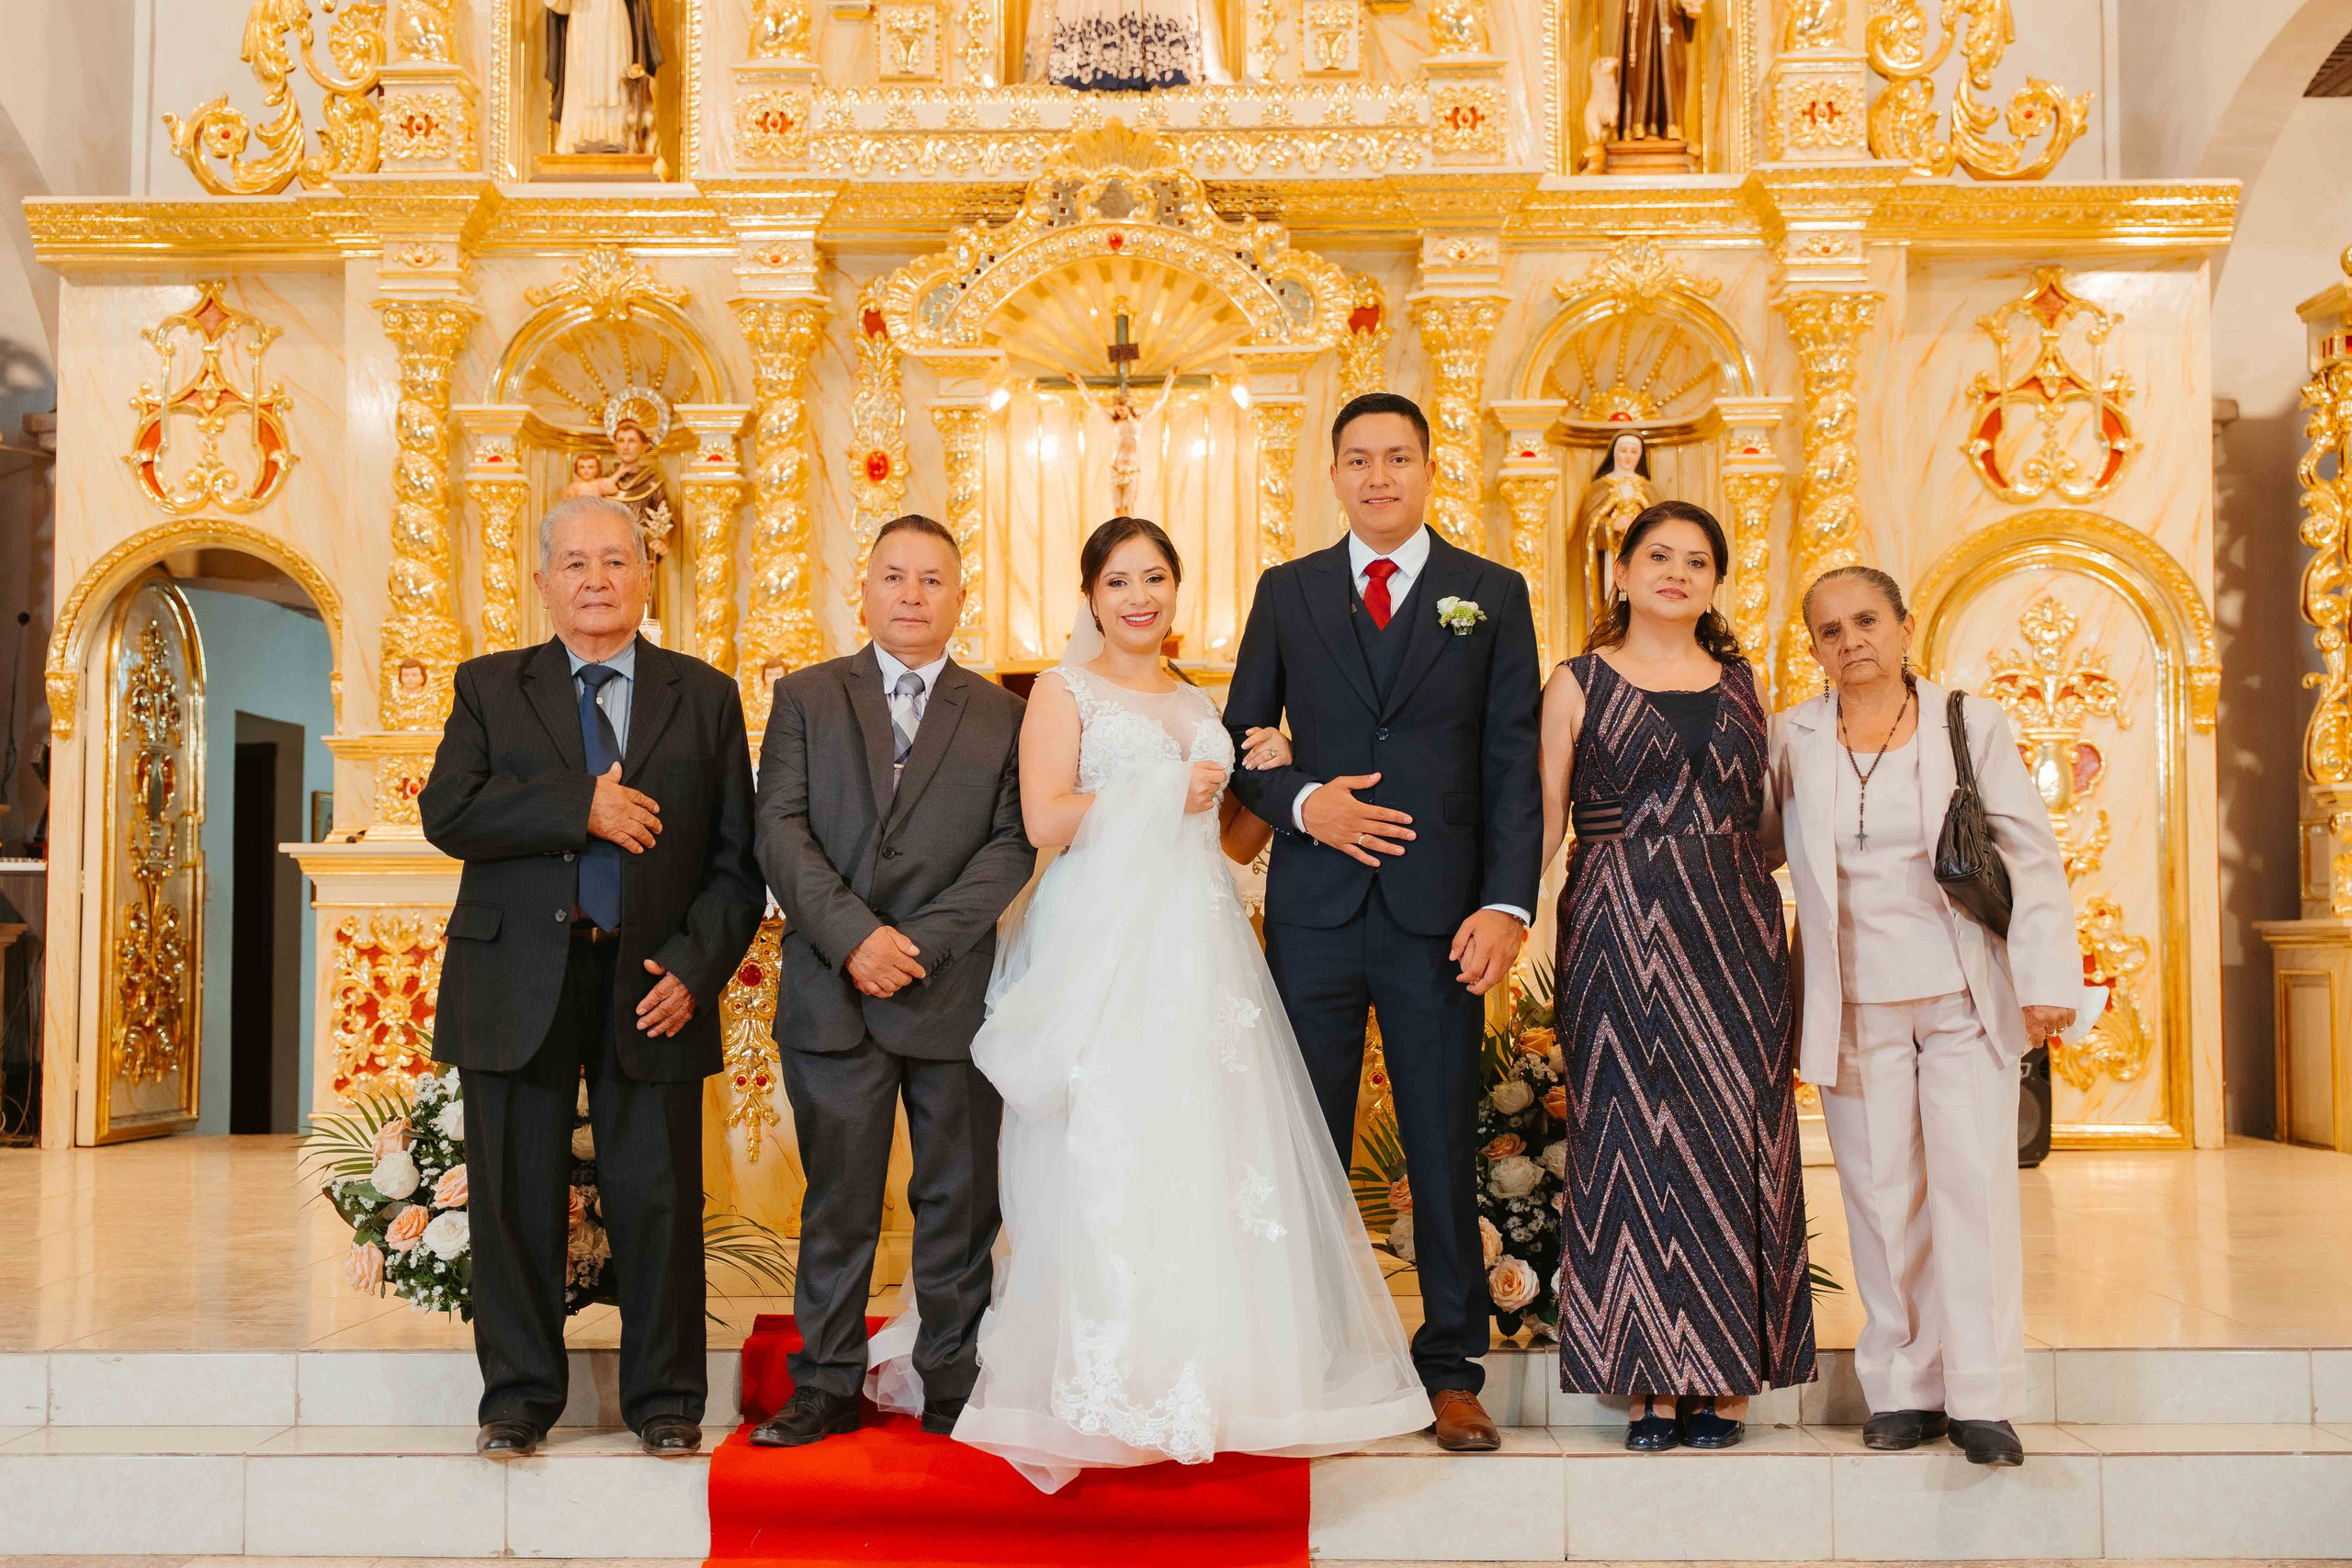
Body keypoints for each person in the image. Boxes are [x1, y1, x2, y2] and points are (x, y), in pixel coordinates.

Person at [869, 516, 1427, 1492]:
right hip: (1102, 942)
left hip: (1198, 944)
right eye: (1119, 579)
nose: (1139, 595)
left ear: (1177, 590)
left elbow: (1228, 846)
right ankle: (1100, 1369)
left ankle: (1215, 1365)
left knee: (1205, 1147)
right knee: (1105, 1140)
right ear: (1090, 596)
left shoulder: (1198, 699)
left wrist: (1266, 778)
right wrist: (1166, 790)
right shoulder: (1061, 689)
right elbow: (1046, 819)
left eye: (1156, 577)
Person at [1224, 391, 1544, 1452]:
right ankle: (1307, 1351)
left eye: (1396, 458)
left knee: (1442, 1138)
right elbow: (1238, 738)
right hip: (1313, 909)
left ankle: (1450, 1367)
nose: (1377, 476)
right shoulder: (1289, 591)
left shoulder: (1488, 595)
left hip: (1438, 916)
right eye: (1356, 459)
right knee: (1299, 1139)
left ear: (1426, 468)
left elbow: (1510, 761)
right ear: (1332, 474)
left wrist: (1505, 904)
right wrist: (1306, 802)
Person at [419, 495, 764, 1460]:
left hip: (651, 979)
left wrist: (696, 970)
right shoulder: (491, 687)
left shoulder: (703, 695)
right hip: (516, 977)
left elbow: (736, 865)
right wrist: (585, 808)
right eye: (575, 563)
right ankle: (519, 1400)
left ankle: (665, 1400)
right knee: (512, 1195)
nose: (596, 580)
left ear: (648, 577)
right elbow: (451, 811)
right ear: (543, 582)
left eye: (615, 561)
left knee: (656, 1197)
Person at [1769, 566, 2080, 1468]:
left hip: (1959, 997)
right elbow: (1755, 849)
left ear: (1904, 627)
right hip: (1853, 1001)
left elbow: (2029, 854)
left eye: (1866, 620)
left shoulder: (1966, 722)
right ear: (1815, 648)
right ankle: (1902, 1389)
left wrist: (2041, 975)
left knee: (1971, 1191)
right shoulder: (1793, 736)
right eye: (1828, 630)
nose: (1850, 640)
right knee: (1879, 1199)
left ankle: (1980, 1394)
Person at [748, 513, 1035, 1448]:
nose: (912, 596)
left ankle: (952, 1379)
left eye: (933, 580)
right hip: (834, 992)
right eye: (895, 578)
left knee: (957, 1202)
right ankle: (826, 1383)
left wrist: (918, 945)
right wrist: (855, 939)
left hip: (949, 995)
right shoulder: (805, 697)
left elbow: (1009, 847)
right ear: (862, 590)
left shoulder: (1000, 714)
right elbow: (779, 831)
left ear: (960, 596)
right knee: (837, 1201)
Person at [1540, 499, 1814, 1453]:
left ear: (1713, 583)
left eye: (1696, 561)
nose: (1676, 572)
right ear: (1620, 572)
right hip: (1614, 925)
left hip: (1732, 930)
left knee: (1731, 1136)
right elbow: (1542, 827)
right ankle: (1643, 1378)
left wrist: (1718, 871)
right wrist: (1499, 917)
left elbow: (1776, 825)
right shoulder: (1574, 682)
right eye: (1658, 555)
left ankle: (1728, 1376)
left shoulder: (1745, 685)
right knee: (1626, 1134)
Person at [545, 0, 662, 156]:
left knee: (614, 78)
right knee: (583, 81)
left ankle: (617, 137)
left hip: (612, 14)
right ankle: (580, 137)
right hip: (583, 17)